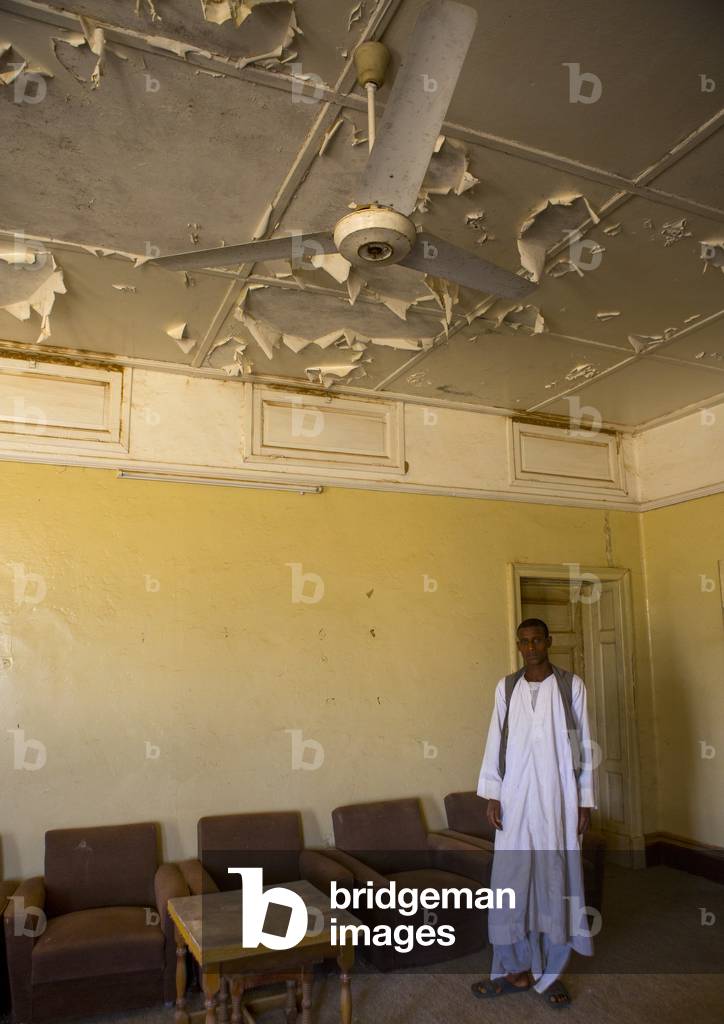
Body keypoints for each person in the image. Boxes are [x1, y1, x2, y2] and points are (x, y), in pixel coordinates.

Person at [471, 618, 597, 1009]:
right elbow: (496, 742)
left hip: (557, 801)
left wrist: (583, 800)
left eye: (536, 640)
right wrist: (493, 795)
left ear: (548, 641)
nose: (530, 647)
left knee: (554, 881)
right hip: (515, 799)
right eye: (523, 642)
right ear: (518, 645)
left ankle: (549, 974)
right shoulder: (506, 687)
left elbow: (583, 748)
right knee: (511, 884)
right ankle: (515, 968)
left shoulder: (570, 686)